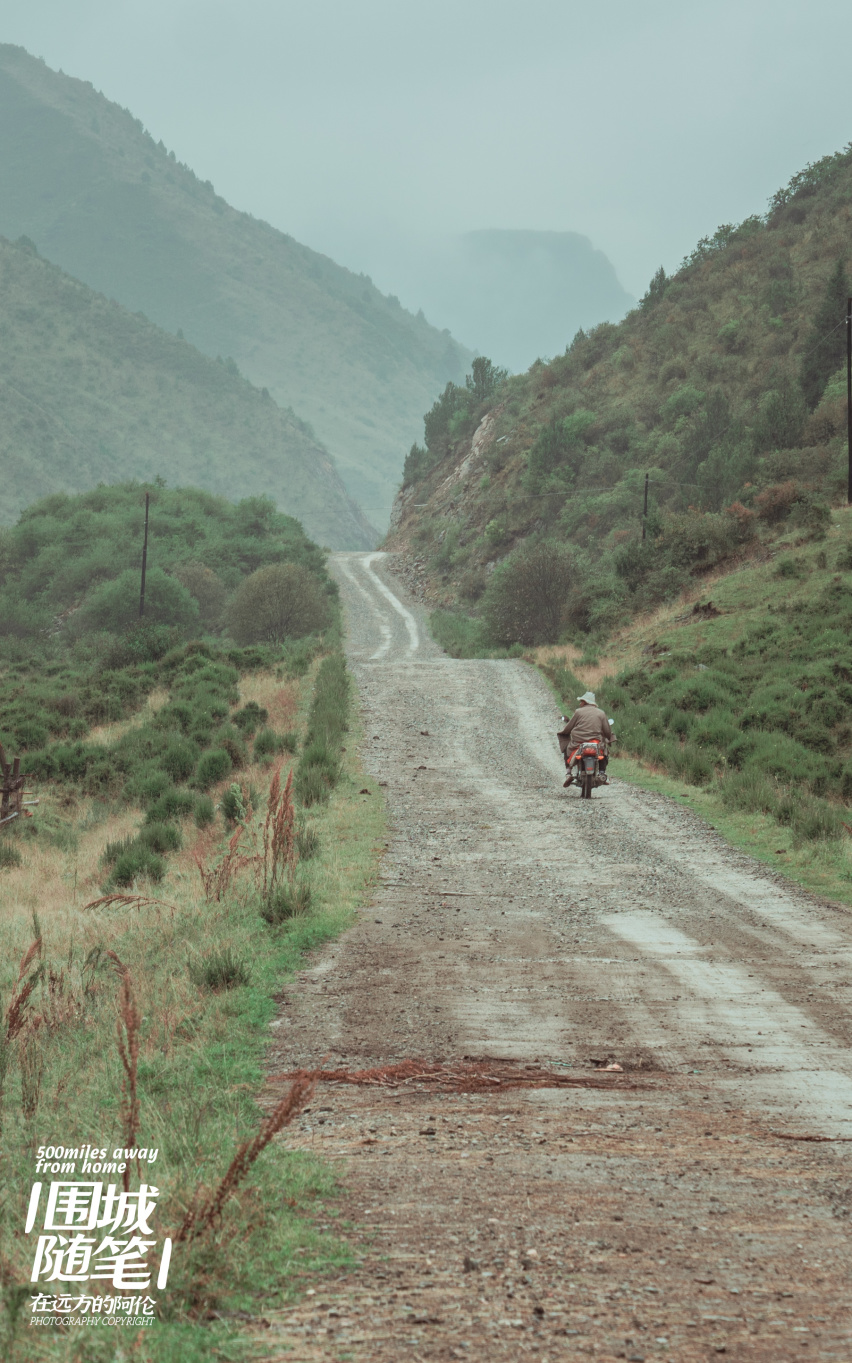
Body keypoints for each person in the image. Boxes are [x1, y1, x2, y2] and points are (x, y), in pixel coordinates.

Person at [557, 691, 613, 788]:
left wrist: (564, 733)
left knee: (566, 749)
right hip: (595, 743)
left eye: (581, 701)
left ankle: (569, 773)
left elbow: (570, 726)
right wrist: (608, 737)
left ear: (585, 702)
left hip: (578, 743)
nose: (580, 703)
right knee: (604, 752)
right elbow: (607, 731)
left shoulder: (578, 712)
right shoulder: (601, 713)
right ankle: (602, 773)